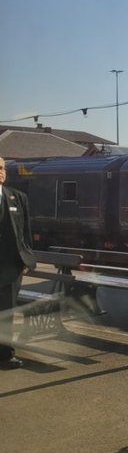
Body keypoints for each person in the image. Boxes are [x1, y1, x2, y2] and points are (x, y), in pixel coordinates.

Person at [0, 156, 37, 369]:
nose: (1, 172)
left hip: (10, 267)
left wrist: (26, 259)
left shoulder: (18, 197)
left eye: (2, 168)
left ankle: (5, 356)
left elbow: (25, 232)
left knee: (7, 312)